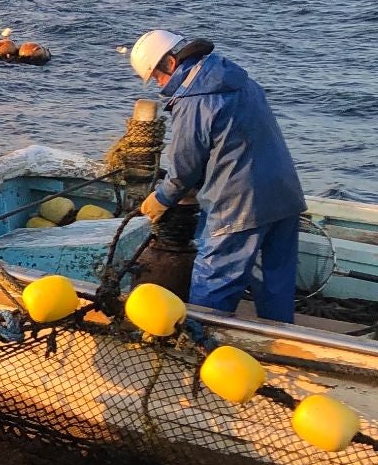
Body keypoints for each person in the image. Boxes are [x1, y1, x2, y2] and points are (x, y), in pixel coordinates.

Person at [130, 28, 306, 322]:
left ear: (171, 63)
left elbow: (185, 164)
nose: (159, 85)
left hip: (239, 205)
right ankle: (280, 337)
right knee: (275, 280)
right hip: (284, 194)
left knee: (214, 280)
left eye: (157, 78)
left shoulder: (194, 99)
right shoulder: (240, 80)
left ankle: (201, 338)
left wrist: (162, 198)